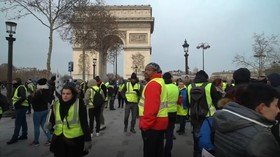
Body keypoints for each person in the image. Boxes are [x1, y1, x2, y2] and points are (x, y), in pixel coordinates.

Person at [214, 83, 280, 157]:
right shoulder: (261, 139)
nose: (278, 110)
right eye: (276, 105)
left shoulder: (223, 119)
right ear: (262, 107)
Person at [46, 84, 92, 157]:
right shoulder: (56, 103)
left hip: (74, 139)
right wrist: (50, 124)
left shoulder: (79, 104)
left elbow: (84, 123)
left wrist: (87, 139)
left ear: (73, 94)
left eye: (68, 94)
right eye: (63, 93)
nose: (65, 96)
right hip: (59, 137)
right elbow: (53, 118)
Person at [187, 70, 220, 157]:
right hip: (209, 116)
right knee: (208, 139)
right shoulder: (209, 86)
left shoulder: (190, 86)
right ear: (206, 77)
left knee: (196, 138)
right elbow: (217, 103)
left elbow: (187, 102)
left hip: (195, 116)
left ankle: (196, 154)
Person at [139, 62, 168, 157]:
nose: (145, 72)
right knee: (158, 151)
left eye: (149, 70)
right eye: (145, 70)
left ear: (155, 71)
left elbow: (151, 109)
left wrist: (145, 126)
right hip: (160, 123)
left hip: (152, 125)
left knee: (150, 152)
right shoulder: (160, 81)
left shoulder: (153, 84)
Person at [30, 78, 52, 146]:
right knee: (43, 125)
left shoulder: (39, 91)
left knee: (36, 126)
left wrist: (31, 96)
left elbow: (32, 100)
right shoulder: (47, 90)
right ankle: (50, 139)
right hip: (45, 110)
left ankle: (36, 142)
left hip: (38, 111)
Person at [7, 78, 29, 145]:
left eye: (14, 81)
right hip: (21, 107)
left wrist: (16, 104)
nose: (13, 82)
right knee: (23, 121)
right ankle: (24, 135)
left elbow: (23, 97)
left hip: (21, 107)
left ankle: (15, 138)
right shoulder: (17, 87)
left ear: (18, 82)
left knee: (18, 123)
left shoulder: (21, 87)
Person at [163, 72, 179, 157]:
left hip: (163, 113)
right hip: (173, 112)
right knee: (170, 134)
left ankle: (160, 151)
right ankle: (168, 153)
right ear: (171, 78)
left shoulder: (163, 87)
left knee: (161, 134)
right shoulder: (176, 87)